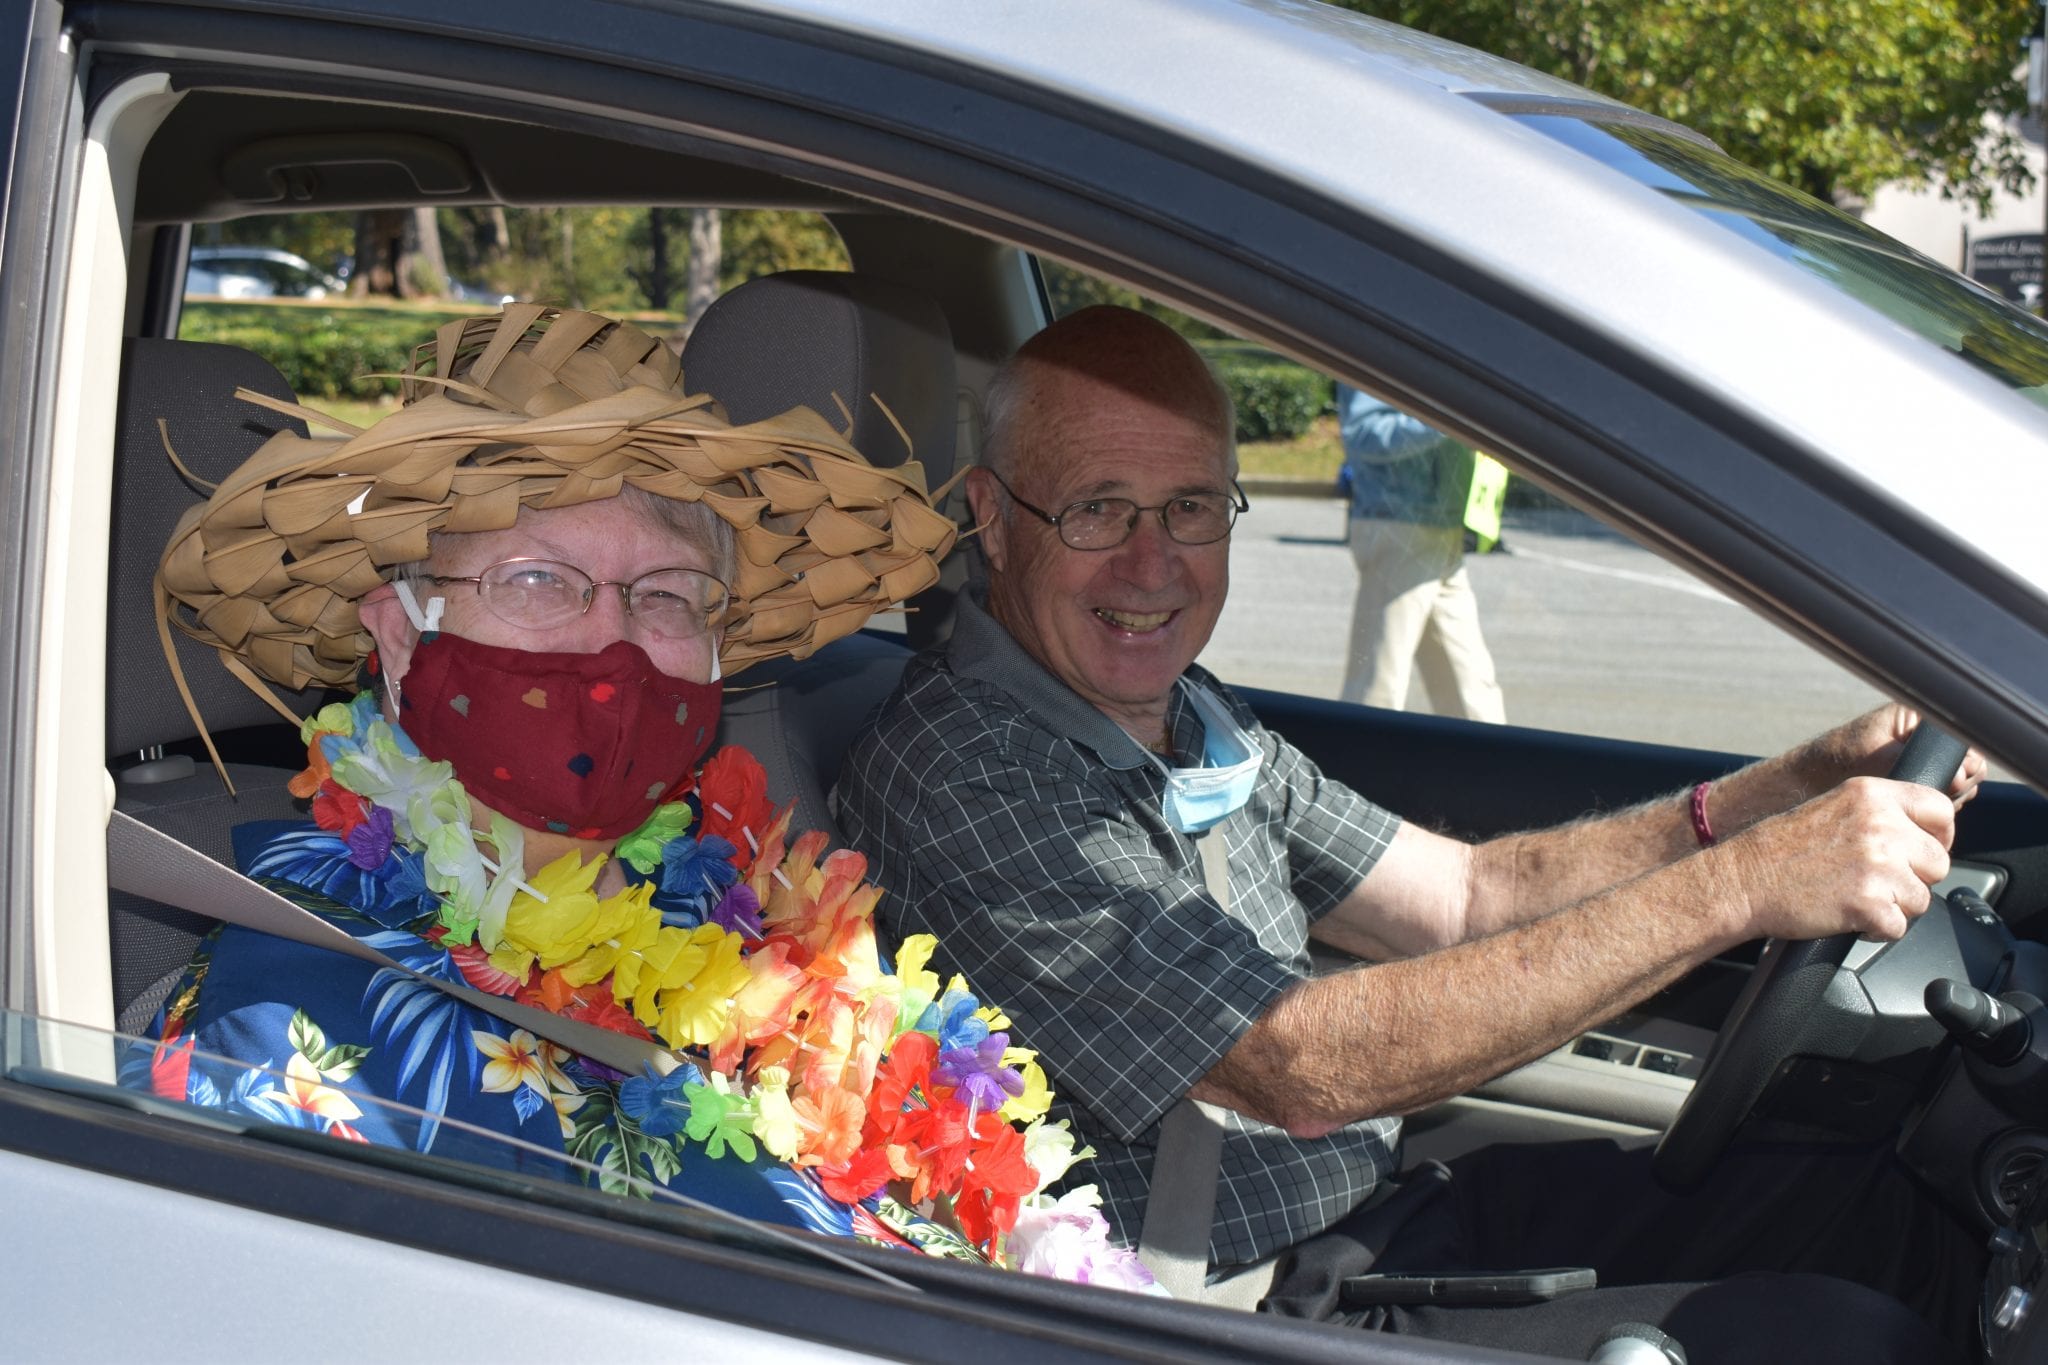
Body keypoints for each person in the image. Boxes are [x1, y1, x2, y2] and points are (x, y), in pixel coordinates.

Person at [835, 305, 1982, 1360]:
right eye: (1096, 508)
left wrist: (1776, 793)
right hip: (1237, 1302)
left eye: (1189, 507)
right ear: (990, 516)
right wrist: (1739, 890)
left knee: (1874, 1208)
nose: (1152, 563)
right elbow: (1300, 1065)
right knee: (1835, 1339)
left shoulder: (1186, 716)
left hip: (1380, 1216)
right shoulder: (964, 767)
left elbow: (1466, 896)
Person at [130, 306, 1152, 1286]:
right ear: (400, 638)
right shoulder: (289, 1034)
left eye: (664, 594)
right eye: (535, 580)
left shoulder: (746, 913)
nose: (609, 645)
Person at [1336, 383, 1505, 721]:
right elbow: (1362, 433)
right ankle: (1351, 767)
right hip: (1400, 526)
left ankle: (1493, 765)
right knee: (1378, 687)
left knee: (1470, 685)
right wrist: (1450, 422)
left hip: (1443, 526)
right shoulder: (1377, 347)